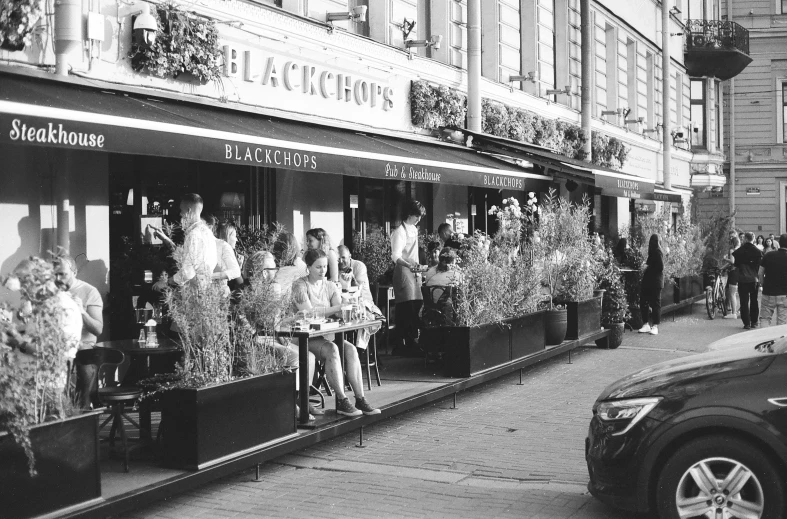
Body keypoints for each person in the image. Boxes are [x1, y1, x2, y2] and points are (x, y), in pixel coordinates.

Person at [291, 249, 379, 417]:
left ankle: (360, 399)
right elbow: (308, 313)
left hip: (324, 335)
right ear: (308, 267)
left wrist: (346, 294)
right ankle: (342, 400)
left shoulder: (330, 285)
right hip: (304, 336)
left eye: (325, 266)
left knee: (351, 349)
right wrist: (337, 308)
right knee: (332, 349)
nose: (323, 270)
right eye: (318, 267)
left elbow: (339, 312)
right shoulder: (299, 285)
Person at [53, 255, 103, 409]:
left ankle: (84, 411)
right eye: (54, 274)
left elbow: (97, 329)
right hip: (58, 346)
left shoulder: (89, 291)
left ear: (74, 272)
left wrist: (81, 311)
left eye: (62, 274)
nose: (58, 278)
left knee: (86, 371)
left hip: (83, 346)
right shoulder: (49, 292)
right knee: (54, 387)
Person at [155, 193, 217, 288]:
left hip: (194, 290)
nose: (180, 214)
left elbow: (188, 272)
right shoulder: (208, 233)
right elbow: (185, 255)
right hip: (207, 288)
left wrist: (166, 282)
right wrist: (165, 239)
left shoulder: (193, 235)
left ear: (188, 211)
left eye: (181, 211)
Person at [391, 199, 426, 352]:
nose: (419, 219)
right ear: (410, 214)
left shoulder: (413, 229)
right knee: (406, 307)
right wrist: (409, 265)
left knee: (416, 306)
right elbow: (395, 256)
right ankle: (402, 344)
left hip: (414, 271)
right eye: (417, 216)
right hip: (404, 271)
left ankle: (412, 341)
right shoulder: (399, 232)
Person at [204, 214, 242, 293]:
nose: (236, 240)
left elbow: (238, 278)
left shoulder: (223, 247)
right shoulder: (221, 248)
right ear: (227, 236)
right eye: (234, 236)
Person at [732, 232, 763, 330]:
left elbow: (736, 265)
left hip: (742, 279)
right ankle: (754, 321)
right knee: (754, 300)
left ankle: (746, 323)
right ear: (753, 239)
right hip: (754, 279)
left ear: (745, 238)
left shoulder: (739, 251)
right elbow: (759, 266)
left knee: (744, 302)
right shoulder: (758, 252)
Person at [758, 234, 787, 327]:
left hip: (768, 292)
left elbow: (760, 273)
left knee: (765, 318)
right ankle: (780, 340)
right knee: (782, 322)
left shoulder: (768, 255)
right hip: (784, 294)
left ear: (779, 243)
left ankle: (765, 339)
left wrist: (762, 284)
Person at [638, 234, 664, 336]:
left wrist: (647, 267)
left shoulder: (657, 253)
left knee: (653, 303)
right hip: (650, 282)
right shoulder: (655, 253)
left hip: (654, 282)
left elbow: (659, 267)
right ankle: (648, 324)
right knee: (648, 302)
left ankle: (654, 325)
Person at [723, 235, 741, 319]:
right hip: (739, 272)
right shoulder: (740, 250)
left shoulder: (732, 250)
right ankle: (736, 311)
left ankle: (733, 313)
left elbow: (732, 262)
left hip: (733, 272)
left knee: (732, 293)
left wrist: (725, 259)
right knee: (734, 293)